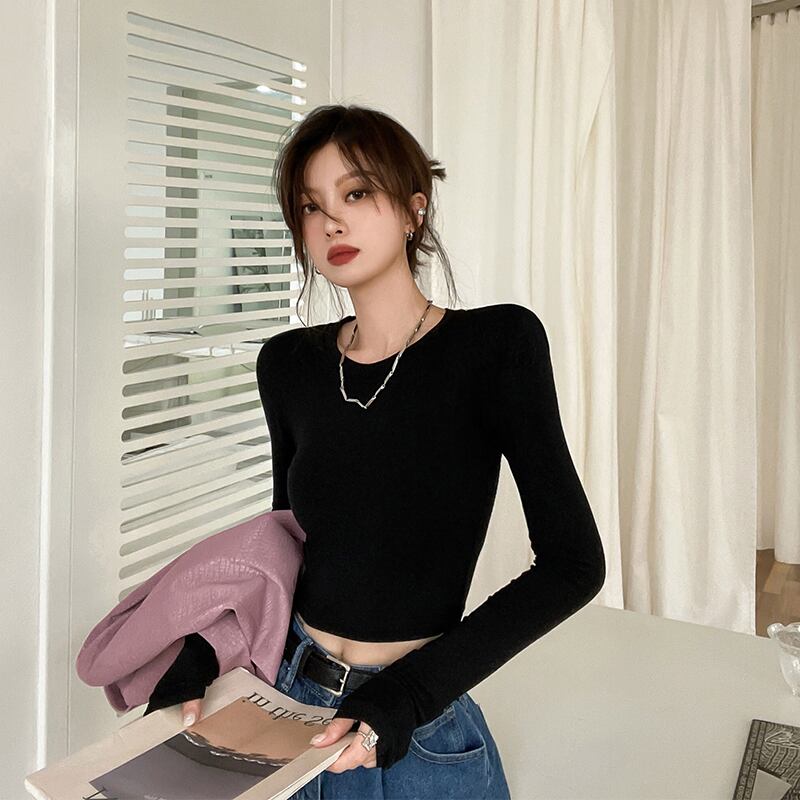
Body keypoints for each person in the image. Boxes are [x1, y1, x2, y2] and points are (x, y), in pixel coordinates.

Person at [144, 104, 606, 799]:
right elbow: (285, 548)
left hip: (413, 725)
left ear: (415, 209)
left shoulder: (495, 348)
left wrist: (408, 696)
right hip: (287, 705)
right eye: (311, 205)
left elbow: (574, 565)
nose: (332, 221)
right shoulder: (288, 365)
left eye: (356, 193)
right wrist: (204, 653)